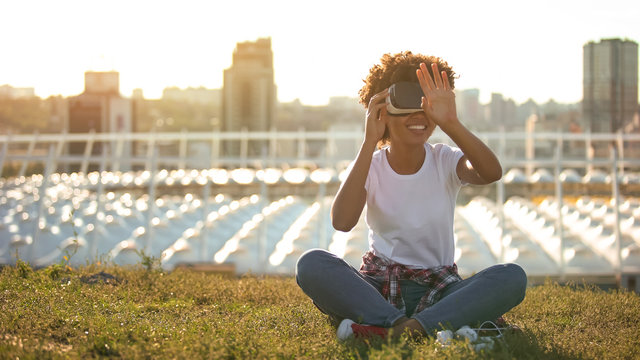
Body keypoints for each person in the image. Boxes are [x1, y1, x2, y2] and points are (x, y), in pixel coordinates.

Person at [295, 51, 527, 341]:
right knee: (311, 263)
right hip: (378, 286)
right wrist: (369, 141)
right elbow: (342, 221)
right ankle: (422, 326)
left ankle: (395, 331)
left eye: (426, 106)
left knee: (512, 277)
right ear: (383, 110)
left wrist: (450, 122)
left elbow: (491, 172)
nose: (419, 117)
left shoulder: (444, 159)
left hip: (440, 287)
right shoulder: (371, 165)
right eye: (406, 104)